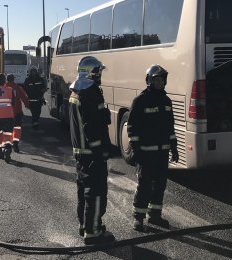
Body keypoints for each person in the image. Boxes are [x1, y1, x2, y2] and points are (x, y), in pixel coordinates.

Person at [68, 56, 115, 245]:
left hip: (81, 152)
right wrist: (99, 151)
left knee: (84, 189)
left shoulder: (77, 90)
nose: (100, 75)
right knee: (95, 192)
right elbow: (91, 126)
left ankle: (85, 224)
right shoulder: (90, 93)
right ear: (91, 73)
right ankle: (93, 232)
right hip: (91, 153)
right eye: (98, 72)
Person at [127, 64, 178, 232]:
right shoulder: (140, 101)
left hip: (162, 152)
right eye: (156, 80)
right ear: (149, 80)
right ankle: (138, 218)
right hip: (145, 152)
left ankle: (155, 215)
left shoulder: (166, 101)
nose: (160, 83)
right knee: (145, 184)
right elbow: (132, 128)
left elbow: (170, 126)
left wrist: (174, 147)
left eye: (162, 80)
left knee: (160, 184)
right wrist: (135, 149)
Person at [6, 74, 30, 152]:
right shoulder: (18, 88)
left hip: (6, 112)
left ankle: (7, 143)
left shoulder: (3, 88)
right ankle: (15, 143)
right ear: (13, 79)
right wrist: (27, 105)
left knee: (7, 128)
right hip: (17, 112)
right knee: (17, 128)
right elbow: (24, 97)